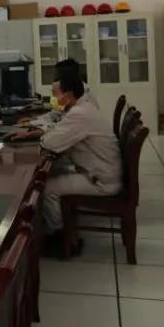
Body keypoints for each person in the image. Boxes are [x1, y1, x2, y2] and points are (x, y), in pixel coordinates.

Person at [33, 73, 122, 252]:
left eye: (56, 94)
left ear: (68, 95)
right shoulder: (83, 108)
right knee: (54, 173)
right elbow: (59, 134)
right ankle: (59, 229)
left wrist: (42, 139)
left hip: (100, 180)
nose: (54, 98)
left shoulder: (80, 114)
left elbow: (50, 143)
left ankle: (61, 237)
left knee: (46, 188)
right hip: (101, 172)